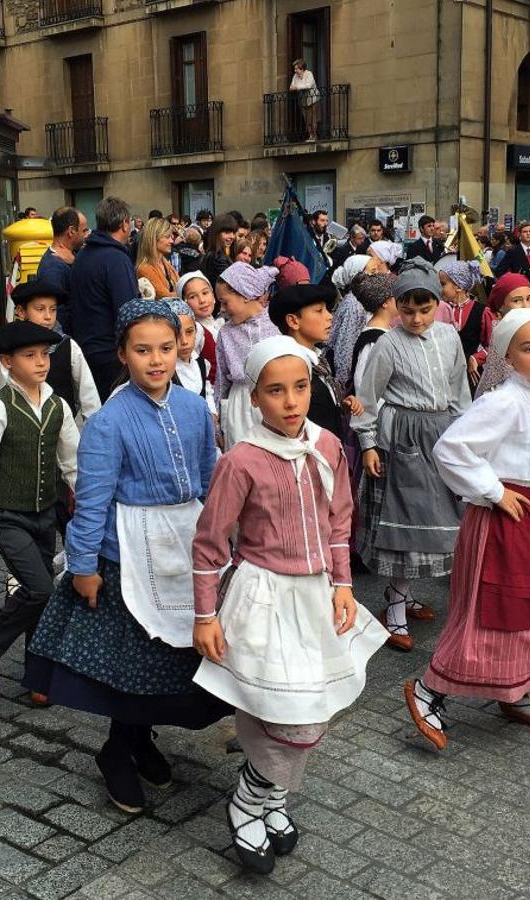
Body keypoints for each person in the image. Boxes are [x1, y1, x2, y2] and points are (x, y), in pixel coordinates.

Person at [191, 335, 388, 874]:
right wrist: (205, 613)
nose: (291, 401)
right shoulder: (241, 460)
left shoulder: (326, 446)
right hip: (264, 594)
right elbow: (211, 541)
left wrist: (343, 584)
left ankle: (265, 797)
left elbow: (338, 523)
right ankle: (250, 801)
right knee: (276, 708)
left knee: (310, 707)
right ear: (254, 398)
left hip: (314, 593)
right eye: (275, 391)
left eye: (299, 387)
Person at [25, 300, 230, 814]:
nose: (156, 360)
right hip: (131, 553)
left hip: (186, 543)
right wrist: (86, 566)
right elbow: (91, 500)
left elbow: (210, 475)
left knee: (171, 660)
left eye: (166, 347)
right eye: (143, 350)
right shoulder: (109, 421)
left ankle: (139, 740)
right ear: (123, 353)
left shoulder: (192, 407)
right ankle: (117, 750)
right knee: (134, 664)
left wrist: (226, 532)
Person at [405, 308, 530, 749]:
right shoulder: (502, 400)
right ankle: (429, 690)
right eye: (529, 349)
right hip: (504, 514)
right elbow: (451, 449)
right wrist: (494, 491)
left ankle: (517, 690)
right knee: (492, 611)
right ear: (508, 356)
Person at [0, 321, 80, 694]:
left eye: (44, 354)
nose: (41, 362)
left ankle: (37, 673)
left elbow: (73, 463)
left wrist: (89, 505)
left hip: (46, 513)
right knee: (40, 589)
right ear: (7, 362)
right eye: (30, 356)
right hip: (7, 514)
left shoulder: (58, 406)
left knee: (40, 592)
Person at [353, 258, 470, 650]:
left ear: (437, 305)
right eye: (407, 310)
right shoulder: (387, 343)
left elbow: (459, 391)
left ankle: (402, 595)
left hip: (440, 434)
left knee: (438, 518)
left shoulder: (450, 337)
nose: (417, 319)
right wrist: (368, 443)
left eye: (425, 310)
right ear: (396, 306)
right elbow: (368, 398)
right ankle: (397, 604)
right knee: (404, 523)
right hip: (403, 434)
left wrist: (465, 435)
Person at [0, 282, 101, 419]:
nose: (48, 316)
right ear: (21, 311)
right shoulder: (8, 348)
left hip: (61, 426)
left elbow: (88, 394)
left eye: (53, 309)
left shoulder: (68, 346)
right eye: (40, 309)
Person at [269, 282, 363, 438]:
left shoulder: (318, 362)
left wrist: (339, 405)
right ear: (293, 321)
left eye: (327, 309)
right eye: (319, 311)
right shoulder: (290, 367)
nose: (329, 316)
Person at [69, 196, 138, 401]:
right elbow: (127, 310)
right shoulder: (116, 259)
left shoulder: (83, 254)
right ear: (125, 224)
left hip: (87, 348)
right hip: (110, 353)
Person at [213, 262, 280, 449]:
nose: (223, 309)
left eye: (225, 302)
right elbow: (221, 381)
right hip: (240, 405)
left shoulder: (275, 324)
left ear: (245, 294)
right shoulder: (226, 333)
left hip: (274, 397)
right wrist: (218, 424)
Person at [437, 258, 494, 393]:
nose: (440, 289)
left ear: (458, 286)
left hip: (470, 375)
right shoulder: (440, 309)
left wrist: (477, 357)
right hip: (444, 372)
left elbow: (494, 344)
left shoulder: (482, 311)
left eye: (443, 284)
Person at [327, 254, 378, 386]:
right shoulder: (354, 305)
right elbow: (344, 349)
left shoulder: (360, 300)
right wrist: (343, 385)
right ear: (358, 275)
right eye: (372, 271)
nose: (377, 275)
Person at [37, 207, 90, 333]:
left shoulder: (71, 258)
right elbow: (55, 316)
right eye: (84, 230)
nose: (87, 235)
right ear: (71, 231)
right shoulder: (53, 268)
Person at [167, 298, 218, 419]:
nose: (184, 341)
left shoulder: (200, 363)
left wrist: (212, 414)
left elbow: (206, 391)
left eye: (189, 332)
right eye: (176, 334)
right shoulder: (167, 372)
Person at [135, 217, 181, 298]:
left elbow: (182, 287)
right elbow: (165, 297)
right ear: (153, 239)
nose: (172, 241)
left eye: (171, 237)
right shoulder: (144, 269)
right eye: (167, 237)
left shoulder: (166, 264)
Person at [200, 213, 238, 288]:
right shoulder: (217, 258)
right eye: (227, 232)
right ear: (216, 234)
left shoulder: (213, 254)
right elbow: (229, 286)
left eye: (233, 233)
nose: (232, 236)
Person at [290, 58, 320, 142]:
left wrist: (298, 87)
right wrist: (299, 86)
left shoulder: (309, 74)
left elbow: (308, 85)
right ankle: (311, 135)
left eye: (296, 68)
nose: (295, 70)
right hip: (303, 100)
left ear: (302, 68)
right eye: (295, 69)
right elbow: (291, 87)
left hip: (313, 98)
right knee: (307, 119)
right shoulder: (295, 76)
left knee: (313, 118)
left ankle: (315, 136)